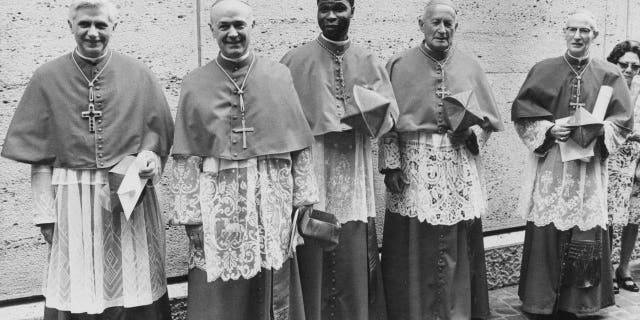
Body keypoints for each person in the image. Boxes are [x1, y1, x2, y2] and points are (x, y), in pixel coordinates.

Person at [1, 1, 175, 319]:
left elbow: (156, 142)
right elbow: (40, 159)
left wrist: (149, 161)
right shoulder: (47, 77)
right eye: (84, 24)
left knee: (132, 284)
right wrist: (45, 216)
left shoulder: (139, 75)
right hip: (72, 203)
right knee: (78, 284)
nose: (92, 33)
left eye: (100, 25)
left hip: (128, 202)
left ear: (113, 28)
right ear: (71, 26)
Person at [168, 1, 318, 319]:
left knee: (271, 282)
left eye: (239, 25)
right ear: (212, 30)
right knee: (221, 290)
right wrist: (191, 217)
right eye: (224, 26)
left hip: (272, 198)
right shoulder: (195, 83)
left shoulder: (278, 76)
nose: (233, 33)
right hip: (219, 203)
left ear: (252, 26)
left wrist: (303, 197)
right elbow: (185, 157)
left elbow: (300, 145)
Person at [379, 0, 503, 319]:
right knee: (411, 238)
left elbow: (487, 120)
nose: (442, 29)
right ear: (421, 25)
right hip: (415, 163)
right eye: (435, 22)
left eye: (449, 24)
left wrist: (472, 134)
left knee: (457, 241)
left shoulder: (471, 65)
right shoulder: (398, 63)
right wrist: (391, 163)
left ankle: (457, 311)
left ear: (456, 28)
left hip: (457, 162)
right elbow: (387, 123)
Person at [512, 9, 633, 319]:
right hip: (554, 161)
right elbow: (525, 112)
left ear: (594, 36)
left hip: (589, 165)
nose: (578, 36)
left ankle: (580, 302)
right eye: (573, 30)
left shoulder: (610, 73)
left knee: (585, 229)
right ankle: (541, 300)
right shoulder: (544, 69)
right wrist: (549, 129)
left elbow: (622, 121)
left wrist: (600, 130)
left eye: (585, 31)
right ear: (564, 32)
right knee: (548, 225)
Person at [280, 1, 398, 319]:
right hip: (313, 163)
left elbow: (390, 118)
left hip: (354, 163)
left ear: (352, 10)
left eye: (339, 8)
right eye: (324, 8)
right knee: (312, 238)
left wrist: (371, 115)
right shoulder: (294, 60)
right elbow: (281, 121)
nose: (331, 16)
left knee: (351, 241)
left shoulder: (369, 60)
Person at [606, 40, 640, 294]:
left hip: (638, 160)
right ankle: (607, 268)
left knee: (633, 216)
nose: (629, 70)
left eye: (635, 66)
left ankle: (624, 267)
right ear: (614, 63)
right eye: (624, 64)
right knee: (608, 215)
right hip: (612, 159)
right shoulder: (606, 88)